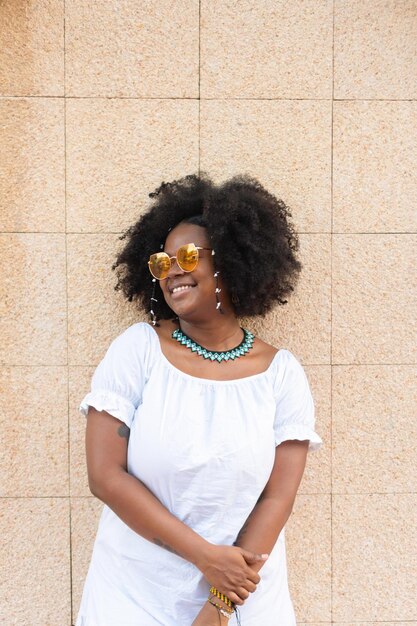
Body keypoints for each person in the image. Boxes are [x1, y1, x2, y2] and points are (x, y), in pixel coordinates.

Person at [76, 173, 323, 626]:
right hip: (134, 594)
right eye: (161, 262)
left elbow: (277, 498)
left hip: (243, 598)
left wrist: (220, 606)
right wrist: (207, 559)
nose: (173, 271)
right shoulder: (138, 351)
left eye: (188, 256)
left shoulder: (281, 373)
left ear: (230, 260)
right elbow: (105, 476)